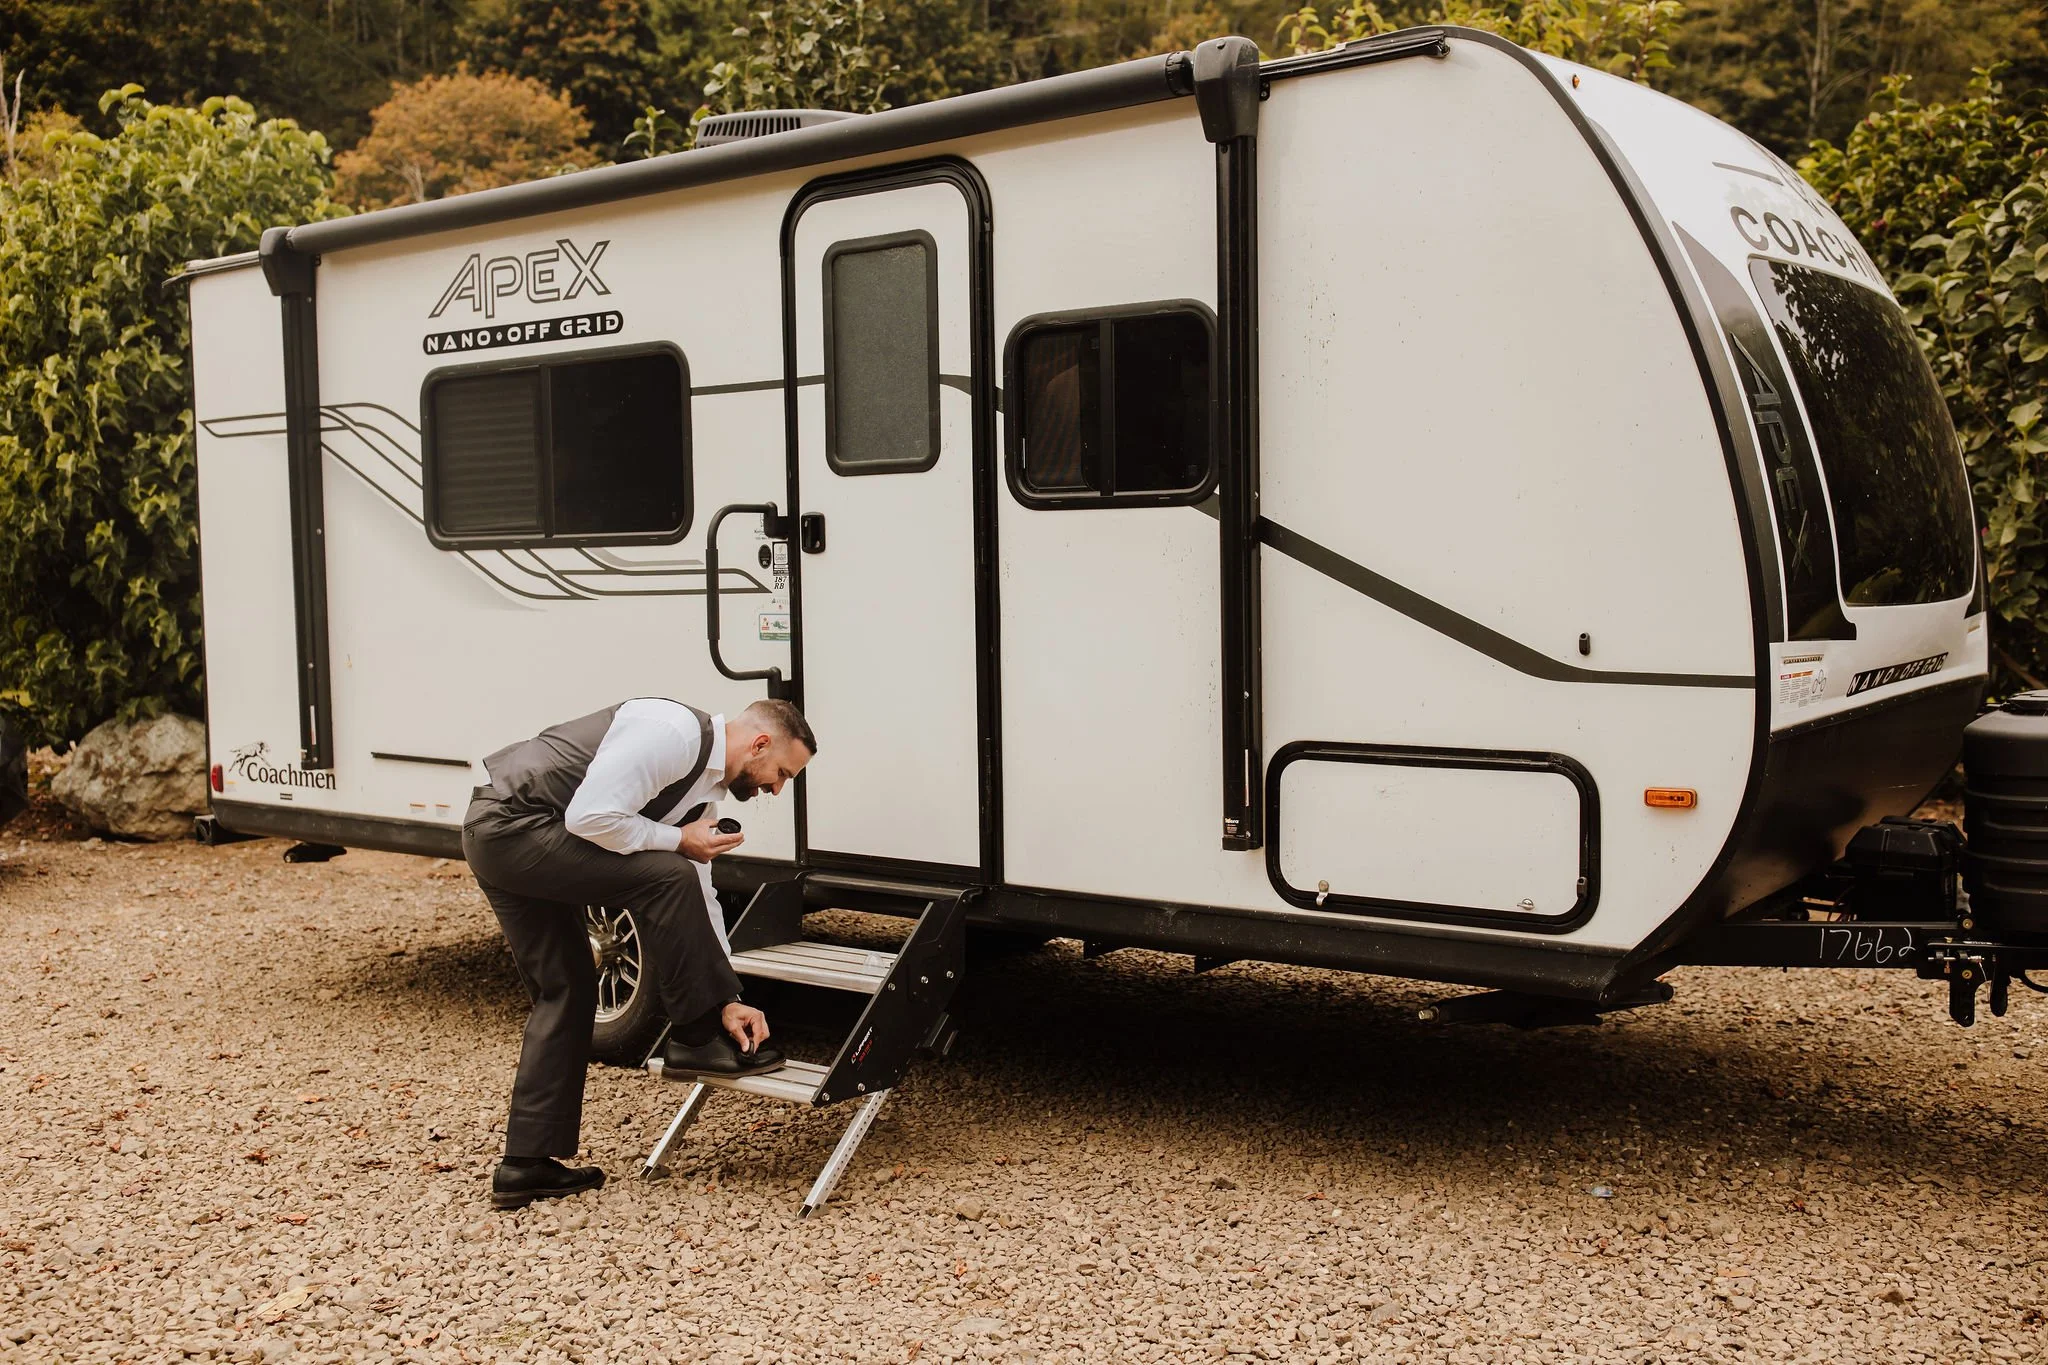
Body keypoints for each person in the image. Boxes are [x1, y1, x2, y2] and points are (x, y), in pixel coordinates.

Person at [462, 696, 818, 1209]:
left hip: (509, 837)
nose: (777, 788)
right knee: (666, 872)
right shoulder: (672, 733)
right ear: (759, 744)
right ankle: (694, 1039)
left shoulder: (701, 796)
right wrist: (676, 840)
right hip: (513, 825)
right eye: (782, 773)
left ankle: (525, 1164)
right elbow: (591, 817)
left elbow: (699, 895)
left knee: (569, 987)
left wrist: (728, 999)